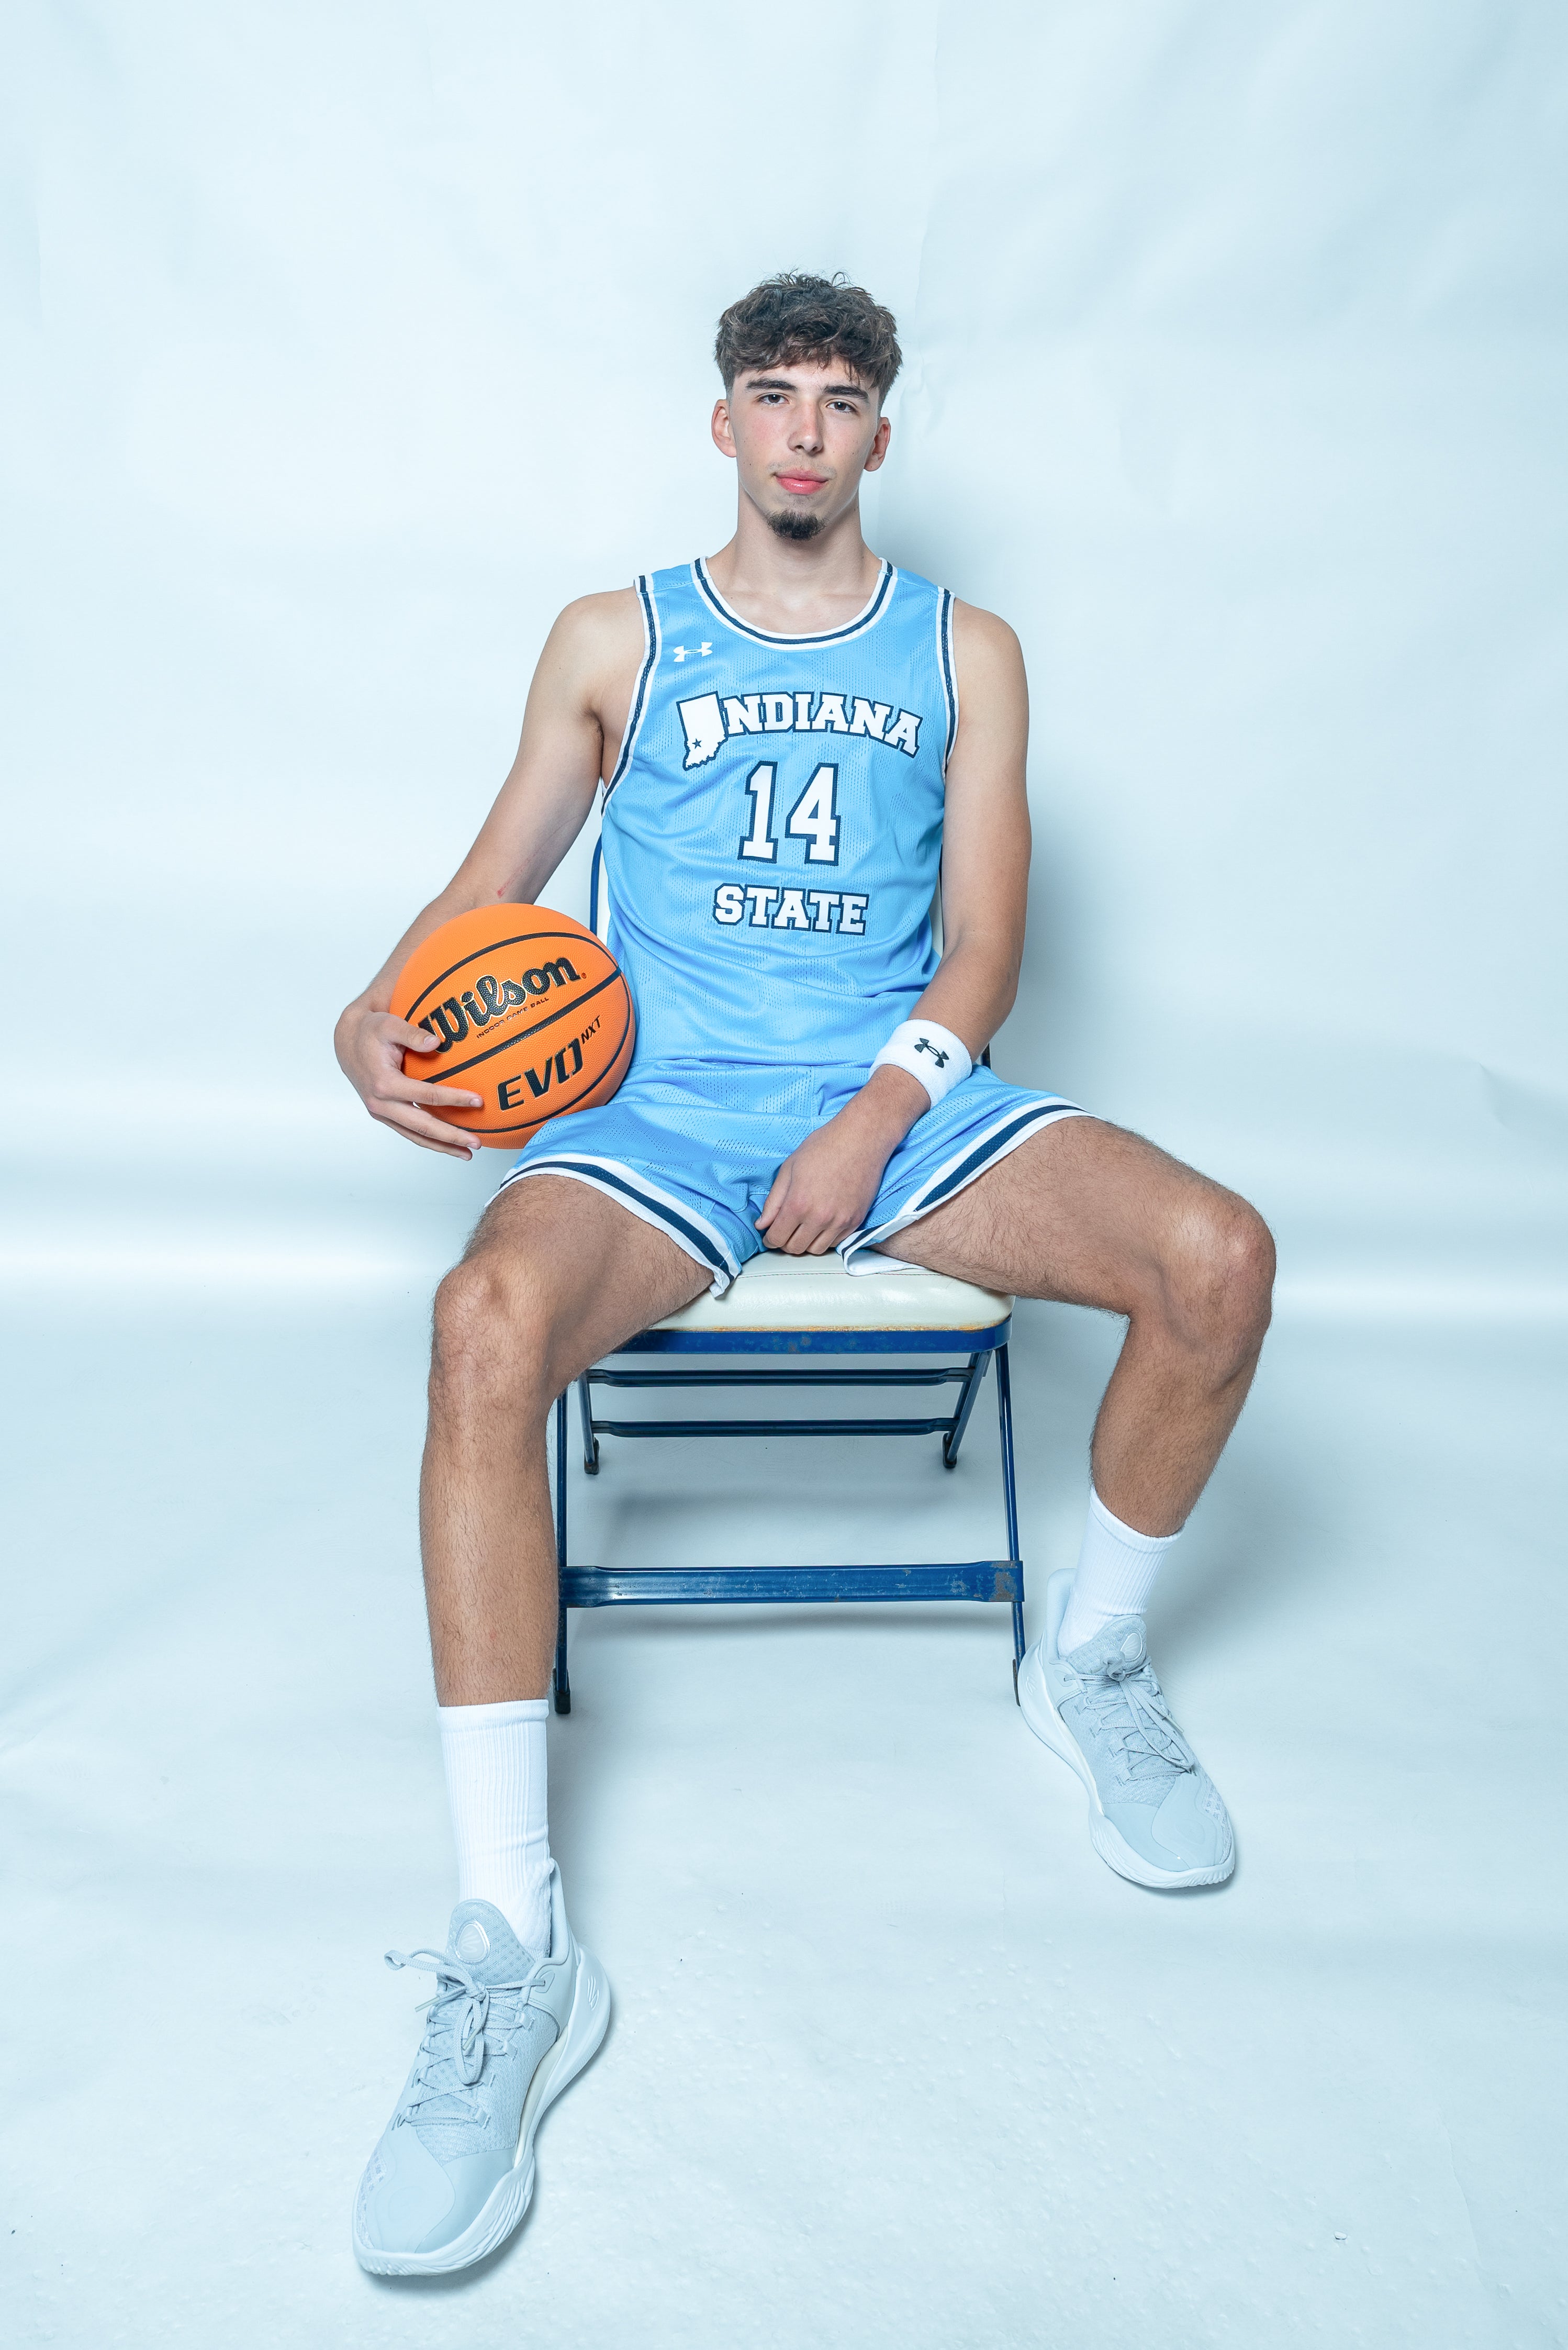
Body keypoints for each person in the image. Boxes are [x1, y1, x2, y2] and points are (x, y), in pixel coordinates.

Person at [334, 272, 1275, 2275]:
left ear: (878, 436)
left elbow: (986, 944)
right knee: (482, 1324)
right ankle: (514, 1938)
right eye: (772, 394)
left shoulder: (964, 647)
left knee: (1217, 1257)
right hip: (656, 1114)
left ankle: (1091, 1660)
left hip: (893, 1105)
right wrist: (370, 1010)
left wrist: (872, 1113)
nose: (802, 430)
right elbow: (487, 890)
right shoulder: (612, 636)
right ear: (722, 424)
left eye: (839, 400)